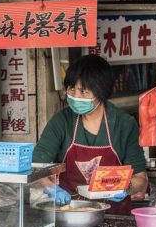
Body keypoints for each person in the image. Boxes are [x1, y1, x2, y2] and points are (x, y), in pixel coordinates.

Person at [33, 54, 148, 214]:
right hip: (70, 213)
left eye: (84, 91)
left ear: (101, 92)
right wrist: (51, 187)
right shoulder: (61, 121)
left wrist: (126, 187)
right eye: (71, 89)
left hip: (115, 217)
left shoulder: (124, 124)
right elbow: (36, 168)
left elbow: (140, 178)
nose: (76, 96)